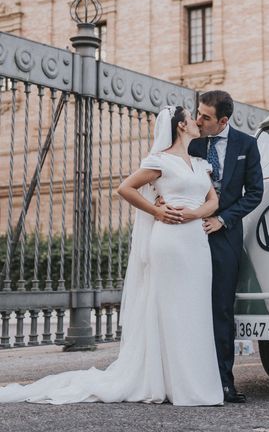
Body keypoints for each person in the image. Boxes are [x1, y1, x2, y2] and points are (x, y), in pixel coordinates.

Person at [0, 106, 224, 406]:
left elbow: (213, 200)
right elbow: (125, 188)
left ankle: (194, 382)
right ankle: (175, 384)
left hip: (196, 241)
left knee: (195, 310)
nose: (199, 122)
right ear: (181, 125)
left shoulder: (200, 164)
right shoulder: (160, 161)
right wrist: (158, 211)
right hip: (169, 242)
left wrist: (195, 214)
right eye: (192, 119)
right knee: (171, 309)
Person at [188, 90, 264, 403]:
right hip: (189, 235)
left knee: (221, 309)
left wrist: (224, 220)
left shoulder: (247, 145)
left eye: (205, 117)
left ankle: (223, 383)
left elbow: (255, 193)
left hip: (225, 237)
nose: (198, 120)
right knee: (189, 306)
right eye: (198, 113)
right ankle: (187, 378)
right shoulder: (191, 143)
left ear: (223, 120)